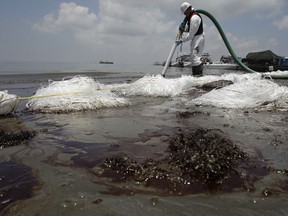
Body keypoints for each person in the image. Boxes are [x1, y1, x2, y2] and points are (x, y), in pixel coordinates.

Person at [177, 2, 205, 76]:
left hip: (198, 38)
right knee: (193, 58)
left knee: (195, 58)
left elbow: (190, 35)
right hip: (197, 37)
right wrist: (182, 30)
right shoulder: (190, 17)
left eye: (185, 12)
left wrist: (182, 40)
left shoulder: (194, 18)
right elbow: (189, 29)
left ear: (188, 9)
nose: (184, 14)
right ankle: (196, 76)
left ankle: (198, 76)